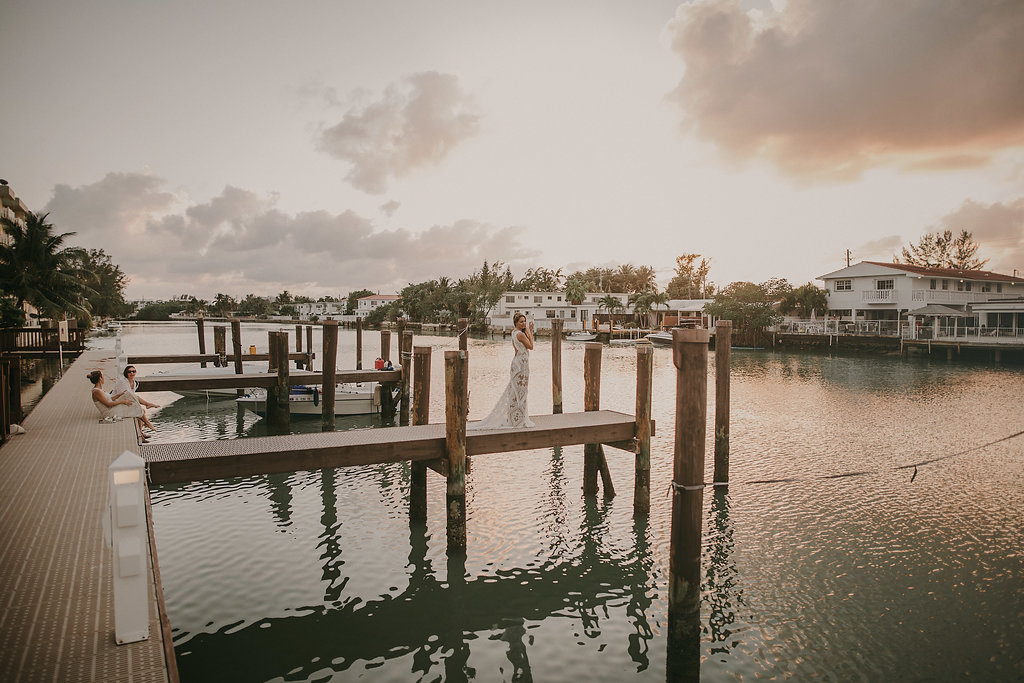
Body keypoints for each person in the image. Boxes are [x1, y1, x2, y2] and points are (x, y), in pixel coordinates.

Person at [470, 312, 535, 430]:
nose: (524, 323)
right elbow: (531, 346)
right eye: (521, 321)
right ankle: (518, 418)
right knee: (520, 390)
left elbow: (516, 350)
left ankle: (515, 417)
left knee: (516, 390)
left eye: (524, 321)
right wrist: (530, 331)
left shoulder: (514, 333)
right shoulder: (520, 334)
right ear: (516, 323)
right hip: (522, 364)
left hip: (517, 362)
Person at [88, 370, 147, 439]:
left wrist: (120, 394)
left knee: (137, 407)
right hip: (109, 412)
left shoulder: (100, 389)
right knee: (138, 410)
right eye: (103, 376)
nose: (104, 378)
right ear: (100, 378)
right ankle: (142, 431)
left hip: (112, 408)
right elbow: (108, 404)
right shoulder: (97, 391)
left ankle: (141, 433)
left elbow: (110, 399)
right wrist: (123, 401)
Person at [113, 365, 158, 432]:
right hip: (118, 402)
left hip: (127, 401)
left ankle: (141, 433)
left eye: (133, 371)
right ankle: (147, 422)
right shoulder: (122, 382)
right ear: (126, 373)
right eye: (129, 372)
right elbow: (122, 395)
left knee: (141, 410)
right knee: (139, 410)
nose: (132, 373)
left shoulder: (135, 383)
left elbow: (131, 396)